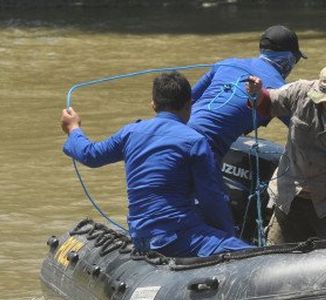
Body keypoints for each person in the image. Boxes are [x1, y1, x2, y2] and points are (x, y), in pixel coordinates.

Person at [61, 72, 250, 258]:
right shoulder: (195, 142)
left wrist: (73, 129)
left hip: (141, 236)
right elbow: (212, 199)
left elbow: (91, 155)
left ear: (153, 105)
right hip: (176, 238)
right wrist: (227, 236)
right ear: (189, 104)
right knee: (248, 253)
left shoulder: (130, 133)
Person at [245, 64, 326, 244]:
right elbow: (268, 102)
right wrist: (256, 92)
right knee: (277, 255)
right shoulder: (301, 92)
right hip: (289, 194)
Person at [189, 25, 306, 167]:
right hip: (205, 146)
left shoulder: (227, 63)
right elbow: (304, 133)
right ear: (289, 58)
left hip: (174, 131)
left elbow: (186, 101)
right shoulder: (280, 90)